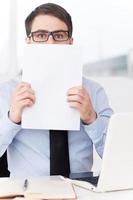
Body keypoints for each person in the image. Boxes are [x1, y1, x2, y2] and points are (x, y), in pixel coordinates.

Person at [0, 3, 113, 178]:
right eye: (41, 35)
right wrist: (11, 118)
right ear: (28, 41)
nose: (50, 43)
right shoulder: (6, 91)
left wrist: (92, 118)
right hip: (27, 192)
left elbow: (117, 157)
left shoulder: (94, 91)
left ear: (70, 42)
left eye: (59, 35)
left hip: (82, 191)